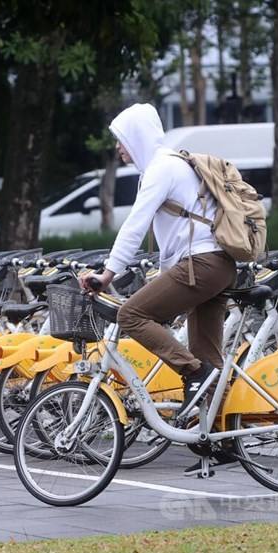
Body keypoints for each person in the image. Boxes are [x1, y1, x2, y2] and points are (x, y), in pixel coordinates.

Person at [80, 103, 237, 461]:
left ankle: (191, 372)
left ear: (136, 136)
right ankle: (218, 437)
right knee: (208, 353)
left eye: (121, 140)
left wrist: (107, 274)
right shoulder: (173, 164)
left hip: (202, 264)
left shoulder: (161, 168)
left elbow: (134, 225)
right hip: (216, 265)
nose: (119, 148)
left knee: (131, 316)